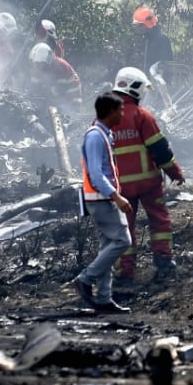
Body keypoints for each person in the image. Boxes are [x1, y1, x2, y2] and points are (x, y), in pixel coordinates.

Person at [110, 67, 185, 283]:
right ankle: (163, 258)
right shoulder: (142, 116)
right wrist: (175, 172)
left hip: (120, 188)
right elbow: (159, 148)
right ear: (135, 89)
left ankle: (124, 272)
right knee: (159, 220)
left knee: (123, 229)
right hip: (149, 182)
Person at [72, 92, 134, 314]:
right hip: (102, 200)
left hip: (100, 199)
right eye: (120, 110)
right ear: (110, 112)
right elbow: (96, 174)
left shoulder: (102, 134)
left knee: (107, 247)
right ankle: (85, 279)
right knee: (122, 240)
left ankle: (104, 299)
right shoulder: (96, 136)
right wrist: (116, 196)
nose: (122, 114)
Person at [28, 42, 82, 115]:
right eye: (36, 64)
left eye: (40, 64)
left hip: (70, 102)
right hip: (51, 102)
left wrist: (69, 110)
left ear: (47, 60)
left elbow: (61, 92)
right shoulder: (38, 68)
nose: (38, 67)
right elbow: (34, 88)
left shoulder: (61, 67)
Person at [132, 6, 173, 85]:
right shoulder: (146, 39)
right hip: (146, 83)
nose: (137, 29)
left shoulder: (162, 39)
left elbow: (165, 64)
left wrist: (160, 84)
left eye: (139, 25)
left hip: (157, 85)